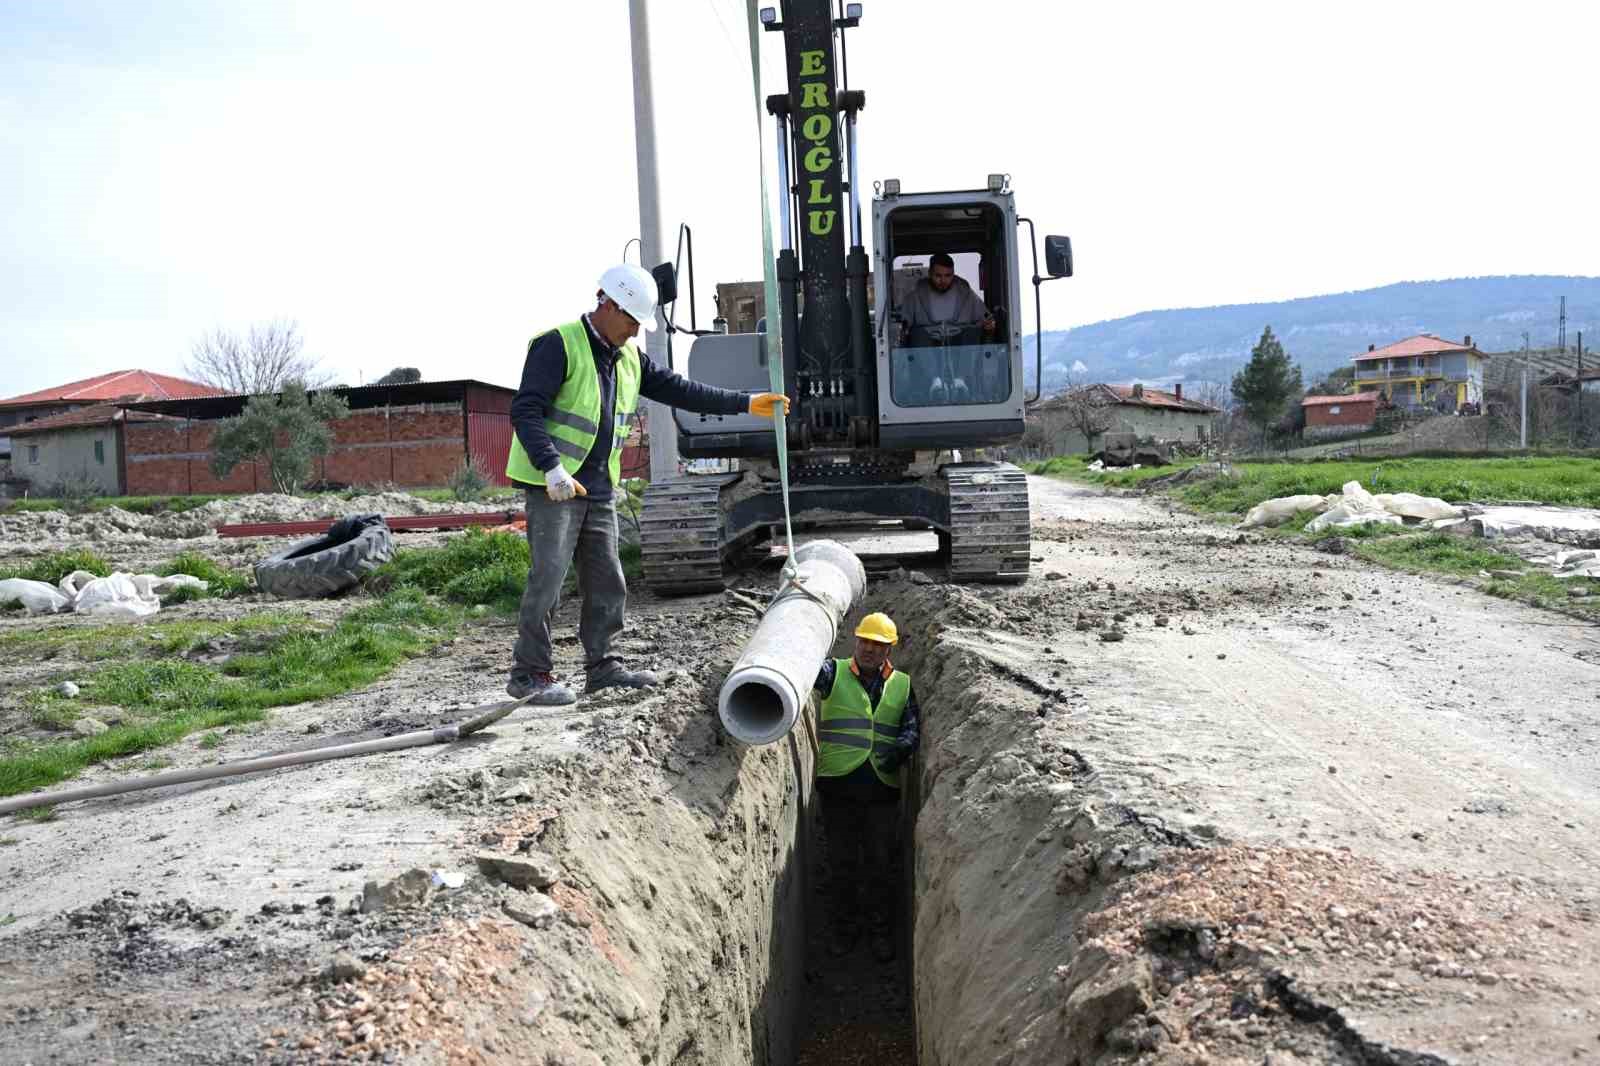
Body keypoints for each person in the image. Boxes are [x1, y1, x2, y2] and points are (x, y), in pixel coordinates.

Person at [506, 263, 789, 706]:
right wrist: (552, 468)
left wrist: (746, 402)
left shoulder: (628, 359)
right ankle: (529, 674)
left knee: (607, 581)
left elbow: (681, 390)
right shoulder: (558, 344)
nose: (636, 330)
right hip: (555, 485)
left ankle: (603, 668)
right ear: (608, 304)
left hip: (597, 488)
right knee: (548, 580)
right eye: (633, 320)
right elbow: (525, 410)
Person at [812, 611, 920, 962]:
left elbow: (911, 728)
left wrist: (901, 749)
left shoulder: (902, 684)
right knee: (842, 864)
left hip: (880, 792)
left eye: (877, 644)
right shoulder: (833, 672)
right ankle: (844, 931)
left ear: (889, 649)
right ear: (855, 641)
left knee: (879, 865)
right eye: (864, 642)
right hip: (838, 789)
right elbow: (805, 669)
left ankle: (879, 932)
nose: (869, 649)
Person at [898, 252, 995, 337]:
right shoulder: (914, 297)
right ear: (930, 273)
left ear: (953, 273)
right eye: (938, 275)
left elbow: (987, 320)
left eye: (948, 275)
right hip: (925, 349)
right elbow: (902, 325)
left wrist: (989, 326)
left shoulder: (968, 295)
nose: (943, 281)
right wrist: (903, 330)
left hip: (963, 349)